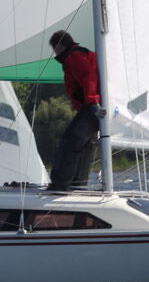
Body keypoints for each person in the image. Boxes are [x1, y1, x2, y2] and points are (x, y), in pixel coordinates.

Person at [46, 30, 111, 191]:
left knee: (70, 141)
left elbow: (88, 75)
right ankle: (77, 184)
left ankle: (60, 184)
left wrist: (92, 102)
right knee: (83, 145)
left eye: (54, 48)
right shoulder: (82, 54)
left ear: (59, 46)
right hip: (95, 105)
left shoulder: (72, 56)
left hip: (93, 106)